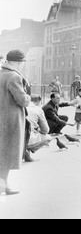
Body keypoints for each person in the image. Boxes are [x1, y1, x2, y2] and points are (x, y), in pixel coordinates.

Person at [0, 50, 31, 195]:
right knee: (6, 156)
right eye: (22, 63)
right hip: (10, 121)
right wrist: (29, 96)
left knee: (3, 154)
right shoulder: (14, 77)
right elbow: (23, 100)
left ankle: (4, 186)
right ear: (18, 62)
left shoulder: (1, 74)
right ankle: (3, 187)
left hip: (2, 119)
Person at [26, 95, 52, 159]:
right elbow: (46, 130)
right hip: (28, 139)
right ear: (37, 102)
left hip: (14, 139)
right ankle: (27, 150)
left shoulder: (19, 107)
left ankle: (25, 152)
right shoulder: (38, 109)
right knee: (48, 137)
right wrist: (38, 130)